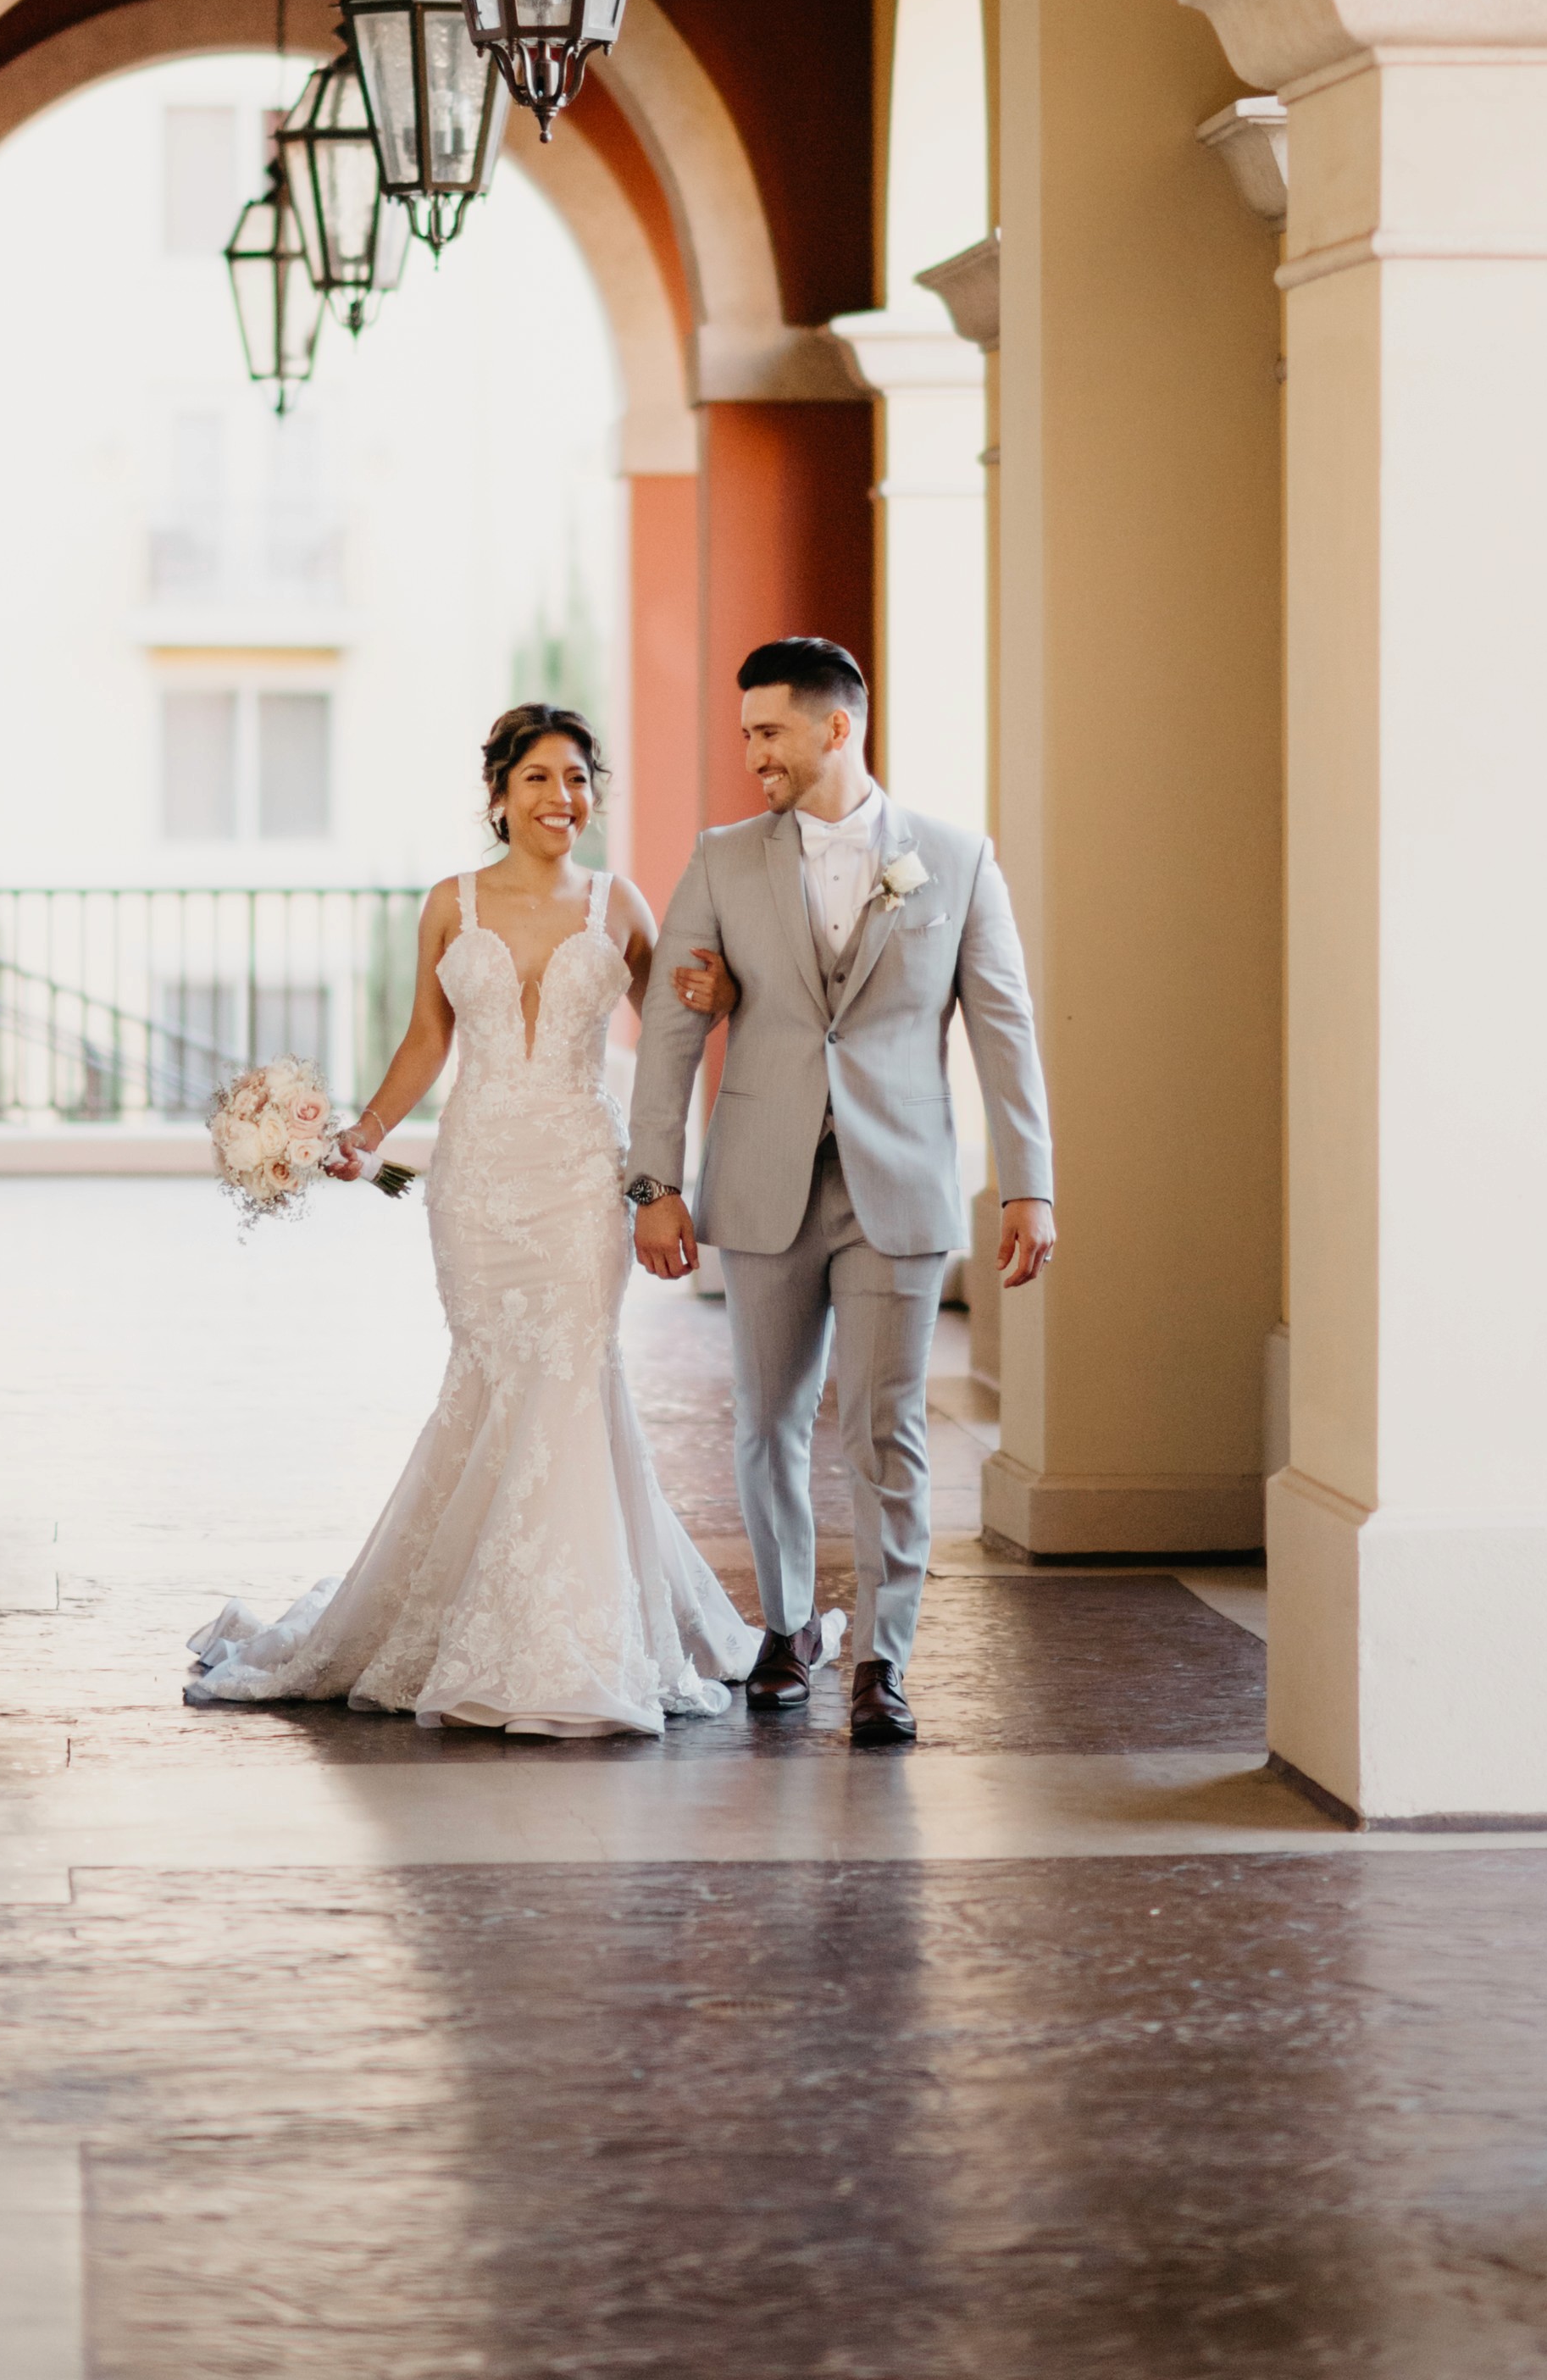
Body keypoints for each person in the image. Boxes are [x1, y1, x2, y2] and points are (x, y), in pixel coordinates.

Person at [185, 705, 753, 1740]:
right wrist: (364, 1131)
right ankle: (472, 1615)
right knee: (492, 1378)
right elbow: (426, 1038)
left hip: (581, 1176)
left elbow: (678, 1024)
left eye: (577, 778)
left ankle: (569, 1643)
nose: (561, 798)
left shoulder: (619, 903)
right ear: (498, 794)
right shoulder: (449, 903)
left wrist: (714, 995)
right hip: (479, 1181)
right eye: (538, 778)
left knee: (572, 1370)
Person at [625, 637, 1055, 1750]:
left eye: (769, 731)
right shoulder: (721, 858)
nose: (752, 754)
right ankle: (786, 1628)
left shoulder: (954, 859)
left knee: (885, 1428)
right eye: (745, 734)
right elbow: (670, 1028)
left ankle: (881, 1660)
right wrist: (652, 1182)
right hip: (762, 1180)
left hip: (895, 1185)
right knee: (766, 1420)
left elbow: (1004, 1027)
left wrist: (1029, 1184)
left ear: (836, 726)